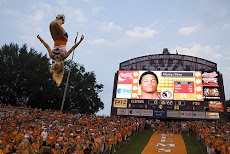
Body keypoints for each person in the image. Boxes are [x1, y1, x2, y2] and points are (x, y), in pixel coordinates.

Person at [37, 14, 84, 86]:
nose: (56, 64)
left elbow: (47, 47)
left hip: (55, 38)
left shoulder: (52, 56)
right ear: (61, 65)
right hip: (63, 37)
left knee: (52, 24)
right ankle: (62, 20)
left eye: (55, 65)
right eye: (57, 65)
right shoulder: (63, 56)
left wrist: (41, 39)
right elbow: (72, 49)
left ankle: (59, 18)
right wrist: (80, 41)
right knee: (56, 23)